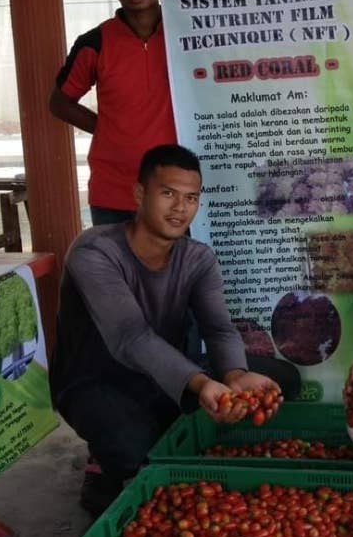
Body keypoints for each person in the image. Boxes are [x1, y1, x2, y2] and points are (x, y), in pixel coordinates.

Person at [50, 144, 300, 515]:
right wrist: (201, 385)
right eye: (168, 194)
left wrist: (235, 376)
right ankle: (103, 464)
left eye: (191, 198)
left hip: (164, 374)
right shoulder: (94, 252)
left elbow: (218, 328)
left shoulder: (197, 258)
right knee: (137, 452)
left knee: (283, 378)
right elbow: (130, 336)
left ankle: (171, 427)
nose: (180, 208)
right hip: (95, 382)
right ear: (140, 194)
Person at [49, 0, 334, 226]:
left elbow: (264, 39)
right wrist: (109, 131)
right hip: (115, 193)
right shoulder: (95, 43)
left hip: (180, 195)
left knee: (182, 273)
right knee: (116, 274)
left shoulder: (193, 33)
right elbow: (60, 102)